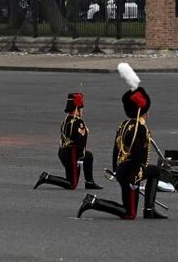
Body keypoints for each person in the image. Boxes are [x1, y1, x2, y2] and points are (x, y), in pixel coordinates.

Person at [77, 87, 166, 220]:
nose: (148, 114)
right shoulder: (139, 128)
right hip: (132, 172)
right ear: (141, 111)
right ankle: (95, 203)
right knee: (129, 213)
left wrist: (115, 169)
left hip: (123, 169)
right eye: (146, 111)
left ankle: (149, 209)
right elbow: (137, 153)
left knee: (155, 171)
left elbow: (116, 149)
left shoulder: (123, 124)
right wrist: (138, 173)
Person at [34, 92, 102, 190]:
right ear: (77, 108)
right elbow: (80, 143)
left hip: (64, 152)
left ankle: (89, 182)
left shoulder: (67, 120)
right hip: (72, 154)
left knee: (89, 156)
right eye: (81, 108)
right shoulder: (78, 122)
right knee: (72, 184)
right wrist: (79, 158)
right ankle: (47, 177)